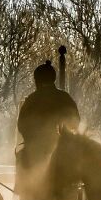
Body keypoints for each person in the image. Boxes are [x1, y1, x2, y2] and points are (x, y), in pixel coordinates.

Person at [16, 60, 80, 189]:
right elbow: (76, 122)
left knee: (21, 156)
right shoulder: (65, 97)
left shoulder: (32, 100)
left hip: (37, 153)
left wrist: (33, 140)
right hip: (64, 150)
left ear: (37, 80)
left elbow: (22, 126)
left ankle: (23, 189)